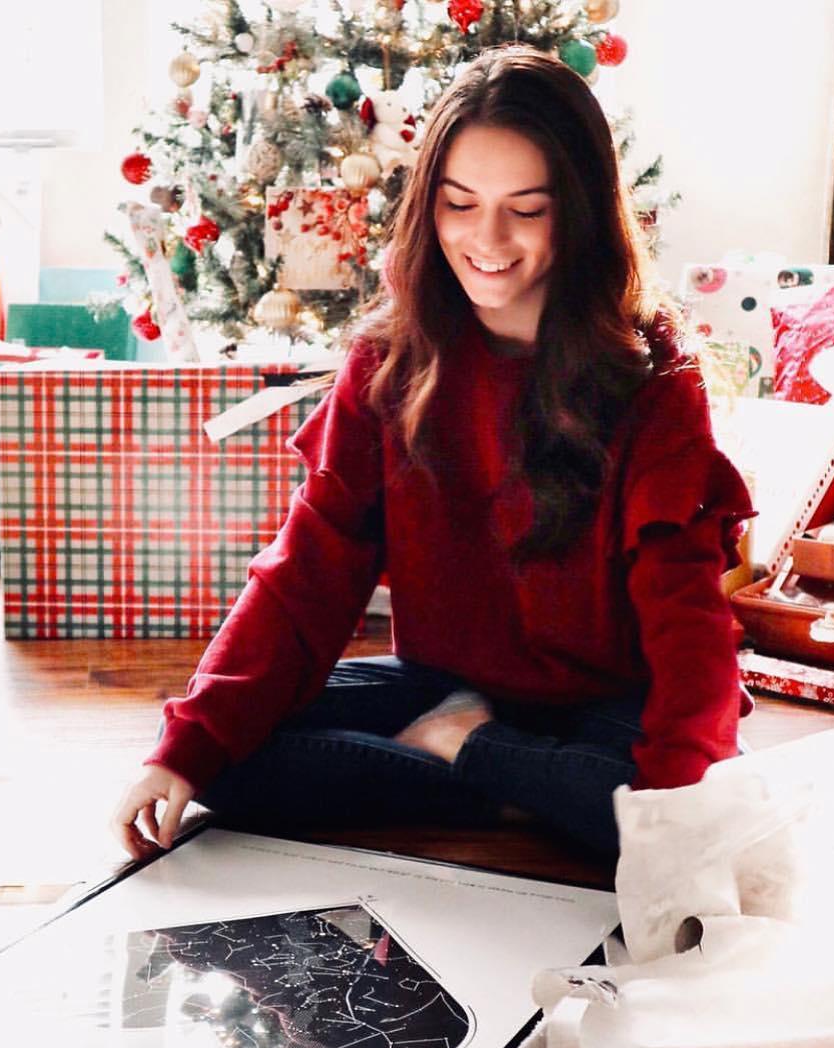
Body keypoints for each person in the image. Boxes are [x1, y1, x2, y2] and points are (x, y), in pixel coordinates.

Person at [111, 45, 754, 860]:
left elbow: (688, 623)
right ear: (429, 205)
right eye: (459, 203)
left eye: (528, 209)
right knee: (219, 756)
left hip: (607, 708)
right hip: (439, 688)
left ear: (581, 210)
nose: (488, 238)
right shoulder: (388, 362)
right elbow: (307, 570)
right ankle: (511, 778)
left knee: (685, 810)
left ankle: (468, 754)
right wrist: (186, 748)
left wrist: (676, 806)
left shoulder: (652, 378)